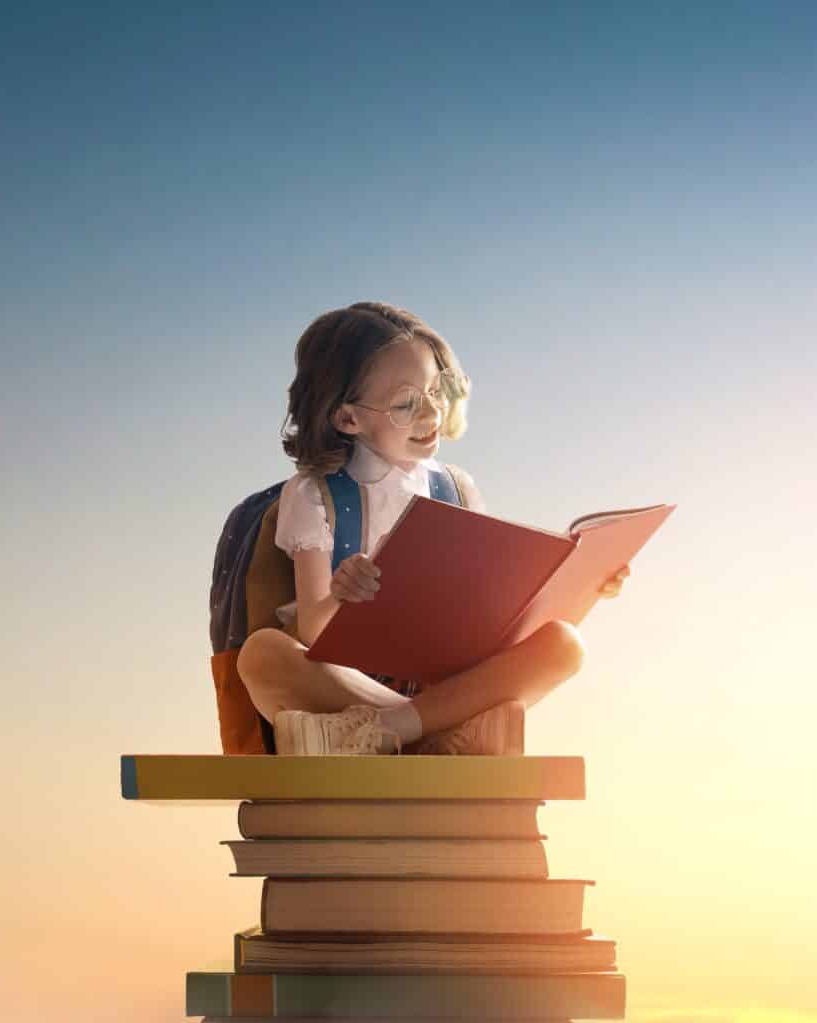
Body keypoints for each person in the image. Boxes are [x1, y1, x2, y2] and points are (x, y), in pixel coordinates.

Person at [236, 302, 630, 756]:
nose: (430, 416)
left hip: (442, 676)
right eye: (405, 404)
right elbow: (313, 632)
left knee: (565, 645)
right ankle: (444, 729)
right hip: (347, 676)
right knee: (263, 655)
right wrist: (341, 596)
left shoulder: (457, 488)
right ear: (348, 418)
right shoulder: (315, 494)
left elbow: (493, 621)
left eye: (436, 393)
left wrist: (586, 586)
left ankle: (392, 730)